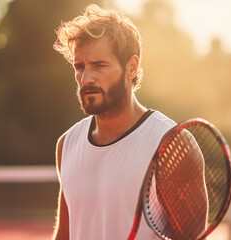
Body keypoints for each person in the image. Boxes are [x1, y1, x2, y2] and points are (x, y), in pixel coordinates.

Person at [51, 4, 206, 240]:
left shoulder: (172, 145)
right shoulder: (67, 145)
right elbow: (64, 235)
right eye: (79, 66)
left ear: (131, 67)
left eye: (99, 65)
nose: (86, 78)